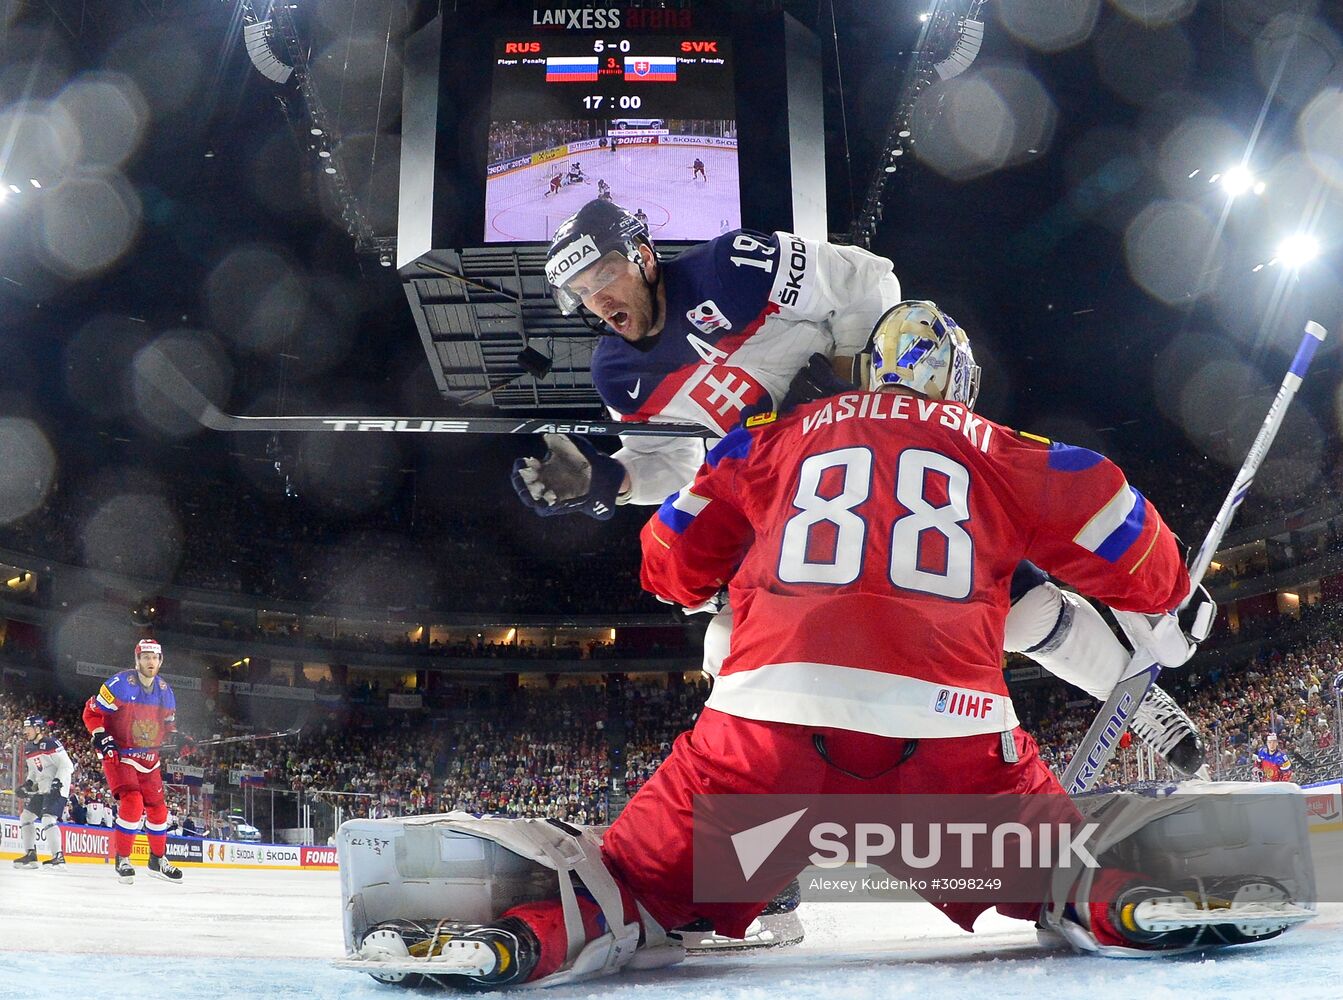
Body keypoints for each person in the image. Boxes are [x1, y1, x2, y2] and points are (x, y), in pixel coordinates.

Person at [358, 304, 1289, 989]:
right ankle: (1114, 895)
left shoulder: (768, 440)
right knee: (1054, 868)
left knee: (633, 889)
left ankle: (537, 931)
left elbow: (668, 562)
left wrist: (704, 572)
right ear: (955, 383)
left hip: (765, 729)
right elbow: (1104, 498)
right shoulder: (1006, 451)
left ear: (865, 372)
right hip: (948, 740)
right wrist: (1172, 599)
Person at [514, 204, 1206, 774]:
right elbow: (672, 464)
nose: (595, 298)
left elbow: (867, 280)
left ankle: (1134, 696)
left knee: (1008, 603)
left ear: (639, 256)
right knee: (727, 643)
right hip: (779, 489)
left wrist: (847, 376)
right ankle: (747, 814)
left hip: (863, 440)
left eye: (603, 273)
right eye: (579, 291)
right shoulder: (615, 374)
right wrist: (609, 477)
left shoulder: (732, 264)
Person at [81, 638, 188, 883]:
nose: (150, 661)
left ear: (160, 661)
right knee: (132, 801)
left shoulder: (165, 691)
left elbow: (169, 727)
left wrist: (182, 738)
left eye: (155, 657)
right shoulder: (119, 685)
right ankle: (123, 859)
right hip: (120, 754)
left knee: (159, 810)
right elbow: (91, 713)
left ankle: (157, 860)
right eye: (146, 657)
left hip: (149, 758)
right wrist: (101, 735)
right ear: (137, 660)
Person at [13, 715, 74, 869]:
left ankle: (58, 857)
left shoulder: (51, 743)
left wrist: (58, 781)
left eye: (29, 728)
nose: (25, 731)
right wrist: (27, 784)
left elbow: (67, 765)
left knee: (48, 819)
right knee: (26, 817)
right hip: (42, 789)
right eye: (25, 728)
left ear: (38, 728)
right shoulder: (29, 748)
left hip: (57, 790)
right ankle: (31, 855)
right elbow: (34, 772)